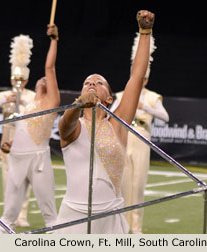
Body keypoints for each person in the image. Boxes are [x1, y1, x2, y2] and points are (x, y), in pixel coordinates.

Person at [56, 10, 155, 234]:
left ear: (109, 98)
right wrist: (79, 105)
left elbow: (137, 77)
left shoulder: (117, 125)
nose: (91, 83)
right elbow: (65, 125)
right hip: (74, 217)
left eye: (99, 82)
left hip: (111, 215)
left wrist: (145, 32)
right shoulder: (75, 126)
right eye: (87, 82)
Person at [0, 24, 60, 233]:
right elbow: (25, 129)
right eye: (41, 79)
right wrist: (11, 144)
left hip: (37, 159)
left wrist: (54, 40)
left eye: (46, 80)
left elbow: (49, 68)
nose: (42, 79)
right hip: (16, 157)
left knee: (49, 215)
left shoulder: (51, 102)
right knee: (8, 214)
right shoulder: (29, 104)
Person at [111, 33, 169, 234]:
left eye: (144, 77)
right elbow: (112, 113)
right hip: (124, 136)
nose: (141, 80)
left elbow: (165, 116)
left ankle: (136, 227)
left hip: (142, 136)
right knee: (123, 183)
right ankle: (123, 225)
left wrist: (145, 106)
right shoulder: (121, 94)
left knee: (138, 184)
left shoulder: (153, 96)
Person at [0, 35, 36, 227]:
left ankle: (22, 216)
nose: (18, 82)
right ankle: (7, 215)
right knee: (7, 180)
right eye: (15, 79)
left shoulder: (32, 96)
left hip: (24, 141)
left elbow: (35, 113)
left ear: (27, 80)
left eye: (21, 79)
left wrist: (21, 101)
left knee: (23, 180)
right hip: (6, 142)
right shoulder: (5, 94)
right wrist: (5, 100)